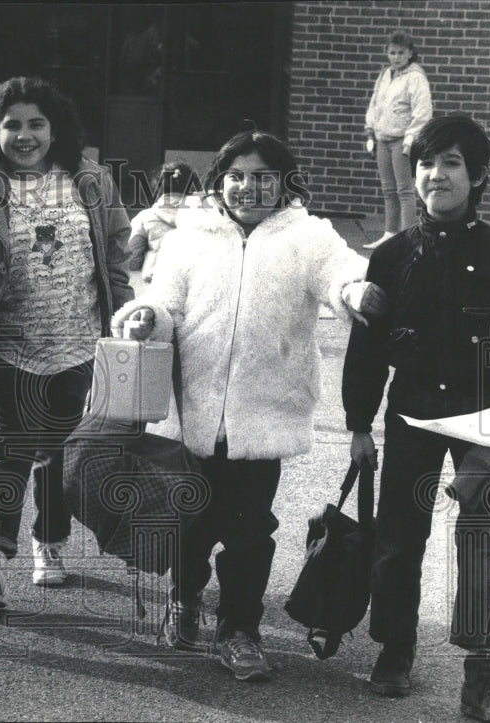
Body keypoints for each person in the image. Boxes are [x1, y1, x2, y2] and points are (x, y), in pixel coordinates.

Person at [111, 124, 382, 681]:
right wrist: (146, 318)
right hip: (195, 414)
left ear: (285, 184)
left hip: (263, 416)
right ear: (220, 180)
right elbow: (164, 299)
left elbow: (343, 271)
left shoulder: (306, 235)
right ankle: (183, 602)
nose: (247, 188)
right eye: (236, 176)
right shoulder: (191, 234)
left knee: (250, 531)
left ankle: (239, 630)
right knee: (189, 524)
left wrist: (355, 292)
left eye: (263, 178)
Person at [343, 114, 490, 721]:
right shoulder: (393, 255)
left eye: (451, 163)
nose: (435, 175)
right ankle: (395, 649)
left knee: (484, 544)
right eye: (426, 163)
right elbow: (368, 349)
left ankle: (484, 674)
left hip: (485, 417)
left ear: (477, 175)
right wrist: (356, 425)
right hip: (412, 414)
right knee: (399, 539)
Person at [0, 76, 134, 607]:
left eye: (36, 124)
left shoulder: (90, 181)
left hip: (78, 345)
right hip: (10, 346)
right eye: (12, 126)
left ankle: (48, 544)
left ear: (55, 129)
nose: (24, 135)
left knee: (59, 454)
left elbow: (115, 257)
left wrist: (123, 321)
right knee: (7, 448)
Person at [363, 30, 433, 250]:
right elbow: (375, 103)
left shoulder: (415, 77)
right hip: (383, 138)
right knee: (388, 189)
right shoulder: (386, 74)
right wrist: (370, 130)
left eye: (401, 53)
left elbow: (422, 112)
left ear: (410, 53)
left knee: (404, 190)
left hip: (401, 140)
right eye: (392, 52)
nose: (396, 57)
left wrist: (410, 141)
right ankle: (390, 234)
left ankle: (408, 238)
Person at [127, 159, 196, 294]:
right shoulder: (204, 216)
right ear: (192, 186)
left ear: (156, 188)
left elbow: (130, 259)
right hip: (193, 286)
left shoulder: (146, 217)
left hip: (154, 286)